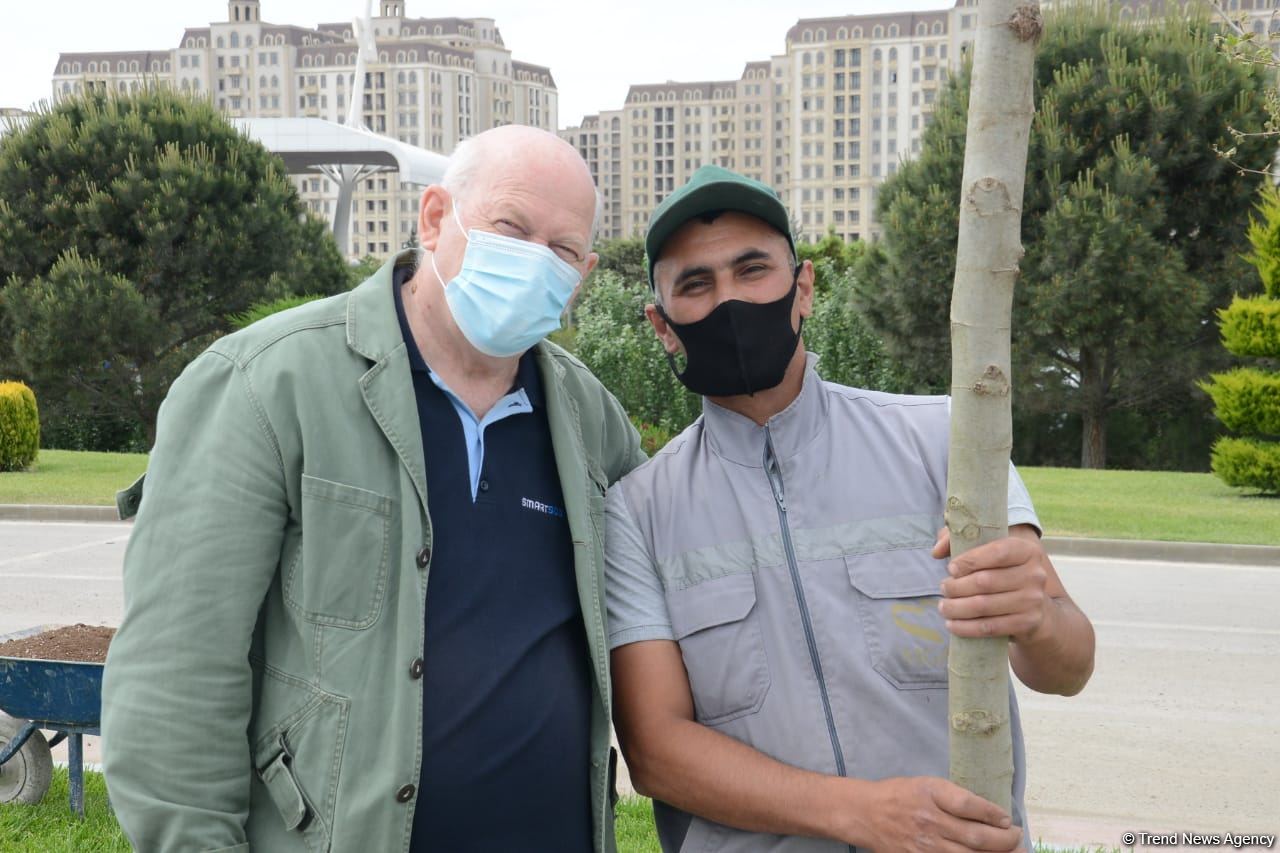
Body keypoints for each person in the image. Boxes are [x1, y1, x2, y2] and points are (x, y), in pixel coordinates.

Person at [102, 125, 645, 852]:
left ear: (585, 273)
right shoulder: (266, 385)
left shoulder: (587, 417)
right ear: (433, 217)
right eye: (510, 228)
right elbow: (174, 680)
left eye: (563, 250)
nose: (534, 261)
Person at [605, 165, 1096, 853]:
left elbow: (1068, 666)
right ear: (662, 326)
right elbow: (656, 751)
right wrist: (859, 812)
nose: (729, 300)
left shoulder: (944, 439)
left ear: (803, 288)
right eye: (696, 283)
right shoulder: (637, 510)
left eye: (753, 269)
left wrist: (1039, 616)